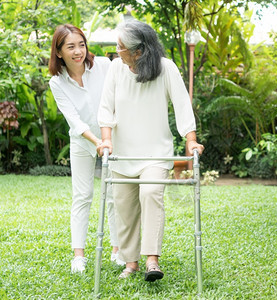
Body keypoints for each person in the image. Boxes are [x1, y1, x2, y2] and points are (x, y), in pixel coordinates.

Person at [97, 20, 204, 281]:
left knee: (151, 192)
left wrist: (191, 140)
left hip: (156, 151)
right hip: (123, 151)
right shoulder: (115, 68)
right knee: (124, 206)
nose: (117, 50)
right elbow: (105, 108)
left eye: (121, 47)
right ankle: (130, 262)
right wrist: (106, 139)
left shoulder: (166, 68)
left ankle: (152, 260)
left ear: (139, 51)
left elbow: (182, 105)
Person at [48, 24, 124, 273]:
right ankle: (78, 256)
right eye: (70, 46)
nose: (78, 51)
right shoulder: (57, 82)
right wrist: (96, 141)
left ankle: (117, 250)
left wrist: (107, 138)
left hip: (111, 138)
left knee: (113, 195)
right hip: (82, 141)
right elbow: (74, 120)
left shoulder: (103, 65)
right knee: (82, 197)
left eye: (81, 44)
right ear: (59, 52)